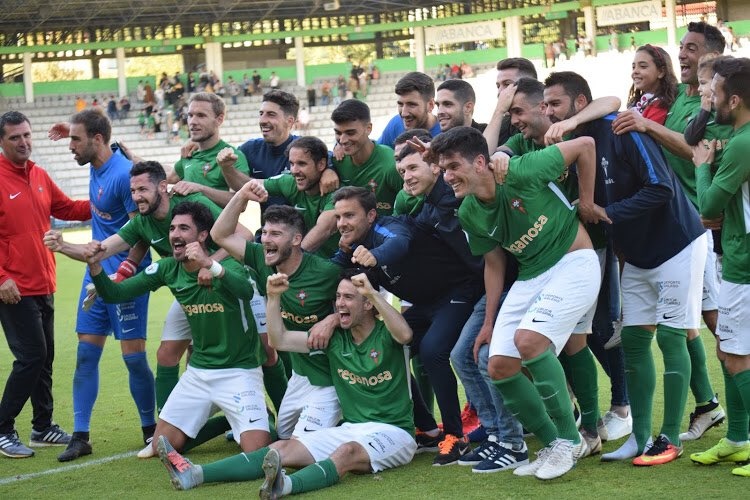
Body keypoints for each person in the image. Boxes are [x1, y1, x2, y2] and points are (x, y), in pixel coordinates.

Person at [544, 70, 708, 465]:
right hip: (635, 256)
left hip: (677, 244)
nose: (549, 112)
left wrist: (606, 212)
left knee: (671, 339)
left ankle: (670, 438)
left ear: (579, 104)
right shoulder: (565, 144)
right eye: (545, 105)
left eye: (556, 104)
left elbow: (662, 188)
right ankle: (639, 437)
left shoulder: (622, 130)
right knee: (634, 343)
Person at [430, 126, 603, 480]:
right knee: (499, 365)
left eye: (452, 167)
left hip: (574, 262)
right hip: (530, 276)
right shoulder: (468, 212)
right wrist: (490, 322)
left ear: (480, 162)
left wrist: (585, 201)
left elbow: (585, 145)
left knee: (529, 342)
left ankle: (571, 441)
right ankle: (555, 442)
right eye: (443, 169)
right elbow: (494, 263)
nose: (447, 177)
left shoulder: (520, 169)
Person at [157, 269, 415, 496]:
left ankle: (286, 486)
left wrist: (371, 292)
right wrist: (273, 298)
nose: (339, 304)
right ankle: (195, 474)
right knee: (281, 447)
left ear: (368, 304)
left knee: (347, 452)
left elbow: (405, 335)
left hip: (395, 432)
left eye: (348, 297)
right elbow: (279, 341)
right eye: (337, 297)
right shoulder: (335, 339)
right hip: (351, 428)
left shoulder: (387, 334)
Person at [612, 21, 726, 441]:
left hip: (702, 223)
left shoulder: (709, 106)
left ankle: (714, 413)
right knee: (698, 324)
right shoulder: (675, 103)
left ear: (712, 56)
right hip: (684, 224)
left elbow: (694, 150)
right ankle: (709, 405)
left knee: (717, 324)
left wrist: (646, 126)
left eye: (691, 48)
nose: (683, 54)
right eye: (681, 46)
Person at [500, 77, 628, 449]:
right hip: (549, 257)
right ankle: (589, 425)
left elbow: (613, 97)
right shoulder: (521, 143)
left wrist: (570, 123)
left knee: (597, 330)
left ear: (543, 106)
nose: (515, 120)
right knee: (575, 339)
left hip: (587, 249)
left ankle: (616, 410)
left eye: (519, 111)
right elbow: (498, 152)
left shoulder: (574, 126)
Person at [85, 201, 271, 455]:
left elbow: (245, 290)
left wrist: (210, 265)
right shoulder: (167, 268)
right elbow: (116, 294)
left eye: (184, 228)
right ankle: (228, 420)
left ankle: (269, 422)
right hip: (199, 374)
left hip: (239, 371)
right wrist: (95, 267)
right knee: (163, 447)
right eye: (172, 228)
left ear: (203, 235)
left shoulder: (229, 265)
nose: (175, 234)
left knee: (257, 452)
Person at [331, 186, 484, 466]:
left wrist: (375, 256)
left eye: (350, 215)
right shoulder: (353, 246)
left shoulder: (388, 228)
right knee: (390, 345)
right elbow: (332, 275)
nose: (342, 223)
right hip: (425, 305)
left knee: (432, 351)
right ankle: (427, 429)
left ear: (371, 215)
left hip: (458, 291)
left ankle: (455, 436)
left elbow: (399, 244)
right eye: (338, 217)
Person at [45, 109, 156, 462]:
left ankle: (150, 430)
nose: (70, 147)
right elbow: (107, 138)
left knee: (134, 358)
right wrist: (71, 131)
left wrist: (123, 273)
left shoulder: (124, 176)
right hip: (94, 273)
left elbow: (141, 234)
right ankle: (81, 436)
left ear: (96, 140)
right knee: (85, 354)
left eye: (76, 140)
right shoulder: (98, 164)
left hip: (126, 275)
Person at [211, 198, 341, 443]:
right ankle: (232, 423)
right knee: (282, 437)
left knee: (301, 446)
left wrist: (333, 319)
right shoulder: (261, 257)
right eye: (265, 232)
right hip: (300, 375)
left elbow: (362, 307)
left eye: (276, 234)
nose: (266, 239)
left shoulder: (325, 272)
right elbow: (220, 234)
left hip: (330, 375)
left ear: (296, 239)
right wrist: (242, 194)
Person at [0, 111, 90, 458]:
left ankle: (42, 427)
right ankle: (4, 426)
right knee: (31, 356)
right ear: (2, 141)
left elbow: (66, 207)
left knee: (45, 357)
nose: (23, 142)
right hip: (13, 287)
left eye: (26, 135)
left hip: (43, 281)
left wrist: (104, 201)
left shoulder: (38, 174)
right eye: (14, 138)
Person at [689, 56, 750, 478]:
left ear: (736, 98)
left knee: (737, 356)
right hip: (735, 258)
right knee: (729, 351)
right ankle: (737, 440)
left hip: (743, 264)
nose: (712, 98)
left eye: (717, 91)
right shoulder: (740, 138)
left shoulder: (743, 142)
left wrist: (702, 166)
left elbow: (707, 206)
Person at [224, 91, 336, 212]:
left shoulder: (305, 148)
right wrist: (226, 168)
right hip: (269, 228)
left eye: (271, 115)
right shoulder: (249, 149)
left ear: (290, 121)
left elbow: (329, 159)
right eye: (261, 114)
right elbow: (241, 186)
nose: (262, 120)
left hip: (304, 228)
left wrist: (330, 170)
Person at [168, 92, 250, 208]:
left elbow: (241, 204)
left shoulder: (231, 156)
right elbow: (171, 177)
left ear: (219, 119)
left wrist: (200, 189)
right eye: (190, 115)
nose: (193, 122)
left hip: (215, 225)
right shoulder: (189, 153)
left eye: (201, 115)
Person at [333, 100, 402, 215]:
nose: (343, 140)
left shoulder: (391, 165)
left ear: (368, 128)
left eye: (350, 133)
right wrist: (328, 170)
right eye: (338, 133)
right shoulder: (336, 160)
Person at [377, 72, 441, 149]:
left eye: (411, 105)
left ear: (430, 105)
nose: (404, 113)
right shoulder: (395, 124)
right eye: (400, 104)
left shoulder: (445, 133)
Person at [626, 44, 678, 124]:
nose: (635, 71)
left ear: (661, 72)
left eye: (643, 66)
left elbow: (645, 135)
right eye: (633, 67)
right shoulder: (641, 101)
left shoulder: (659, 106)